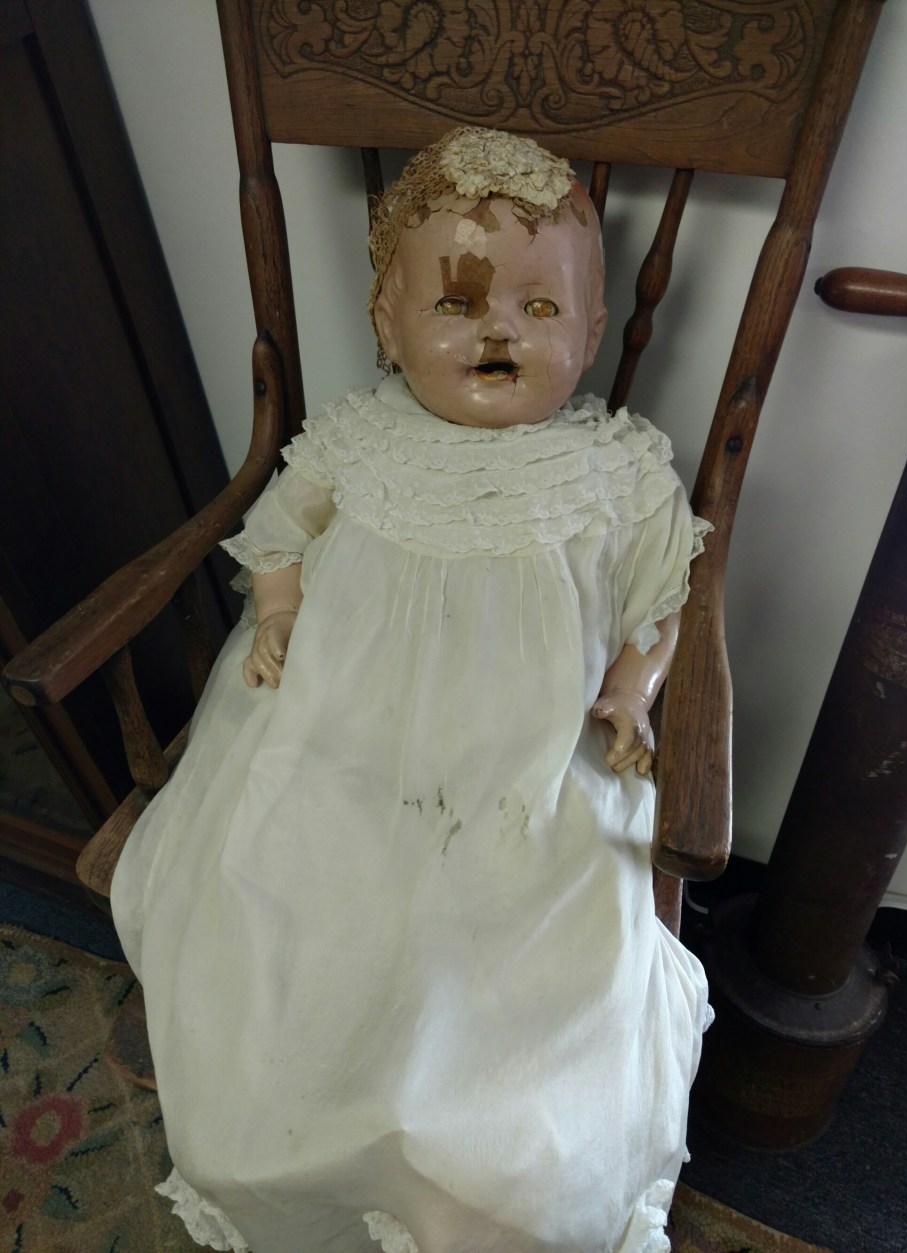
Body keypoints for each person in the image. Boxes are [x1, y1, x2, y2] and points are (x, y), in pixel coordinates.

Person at [111, 126, 712, 1253]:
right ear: (388, 329)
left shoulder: (616, 468)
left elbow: (660, 598)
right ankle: (312, 1127)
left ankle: (471, 1154)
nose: (498, 329)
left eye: (542, 308)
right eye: (457, 304)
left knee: (520, 941)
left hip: (526, 758)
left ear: (592, 331)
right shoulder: (359, 442)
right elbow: (277, 534)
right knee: (290, 895)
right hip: (345, 725)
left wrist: (633, 691)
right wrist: (277, 613)